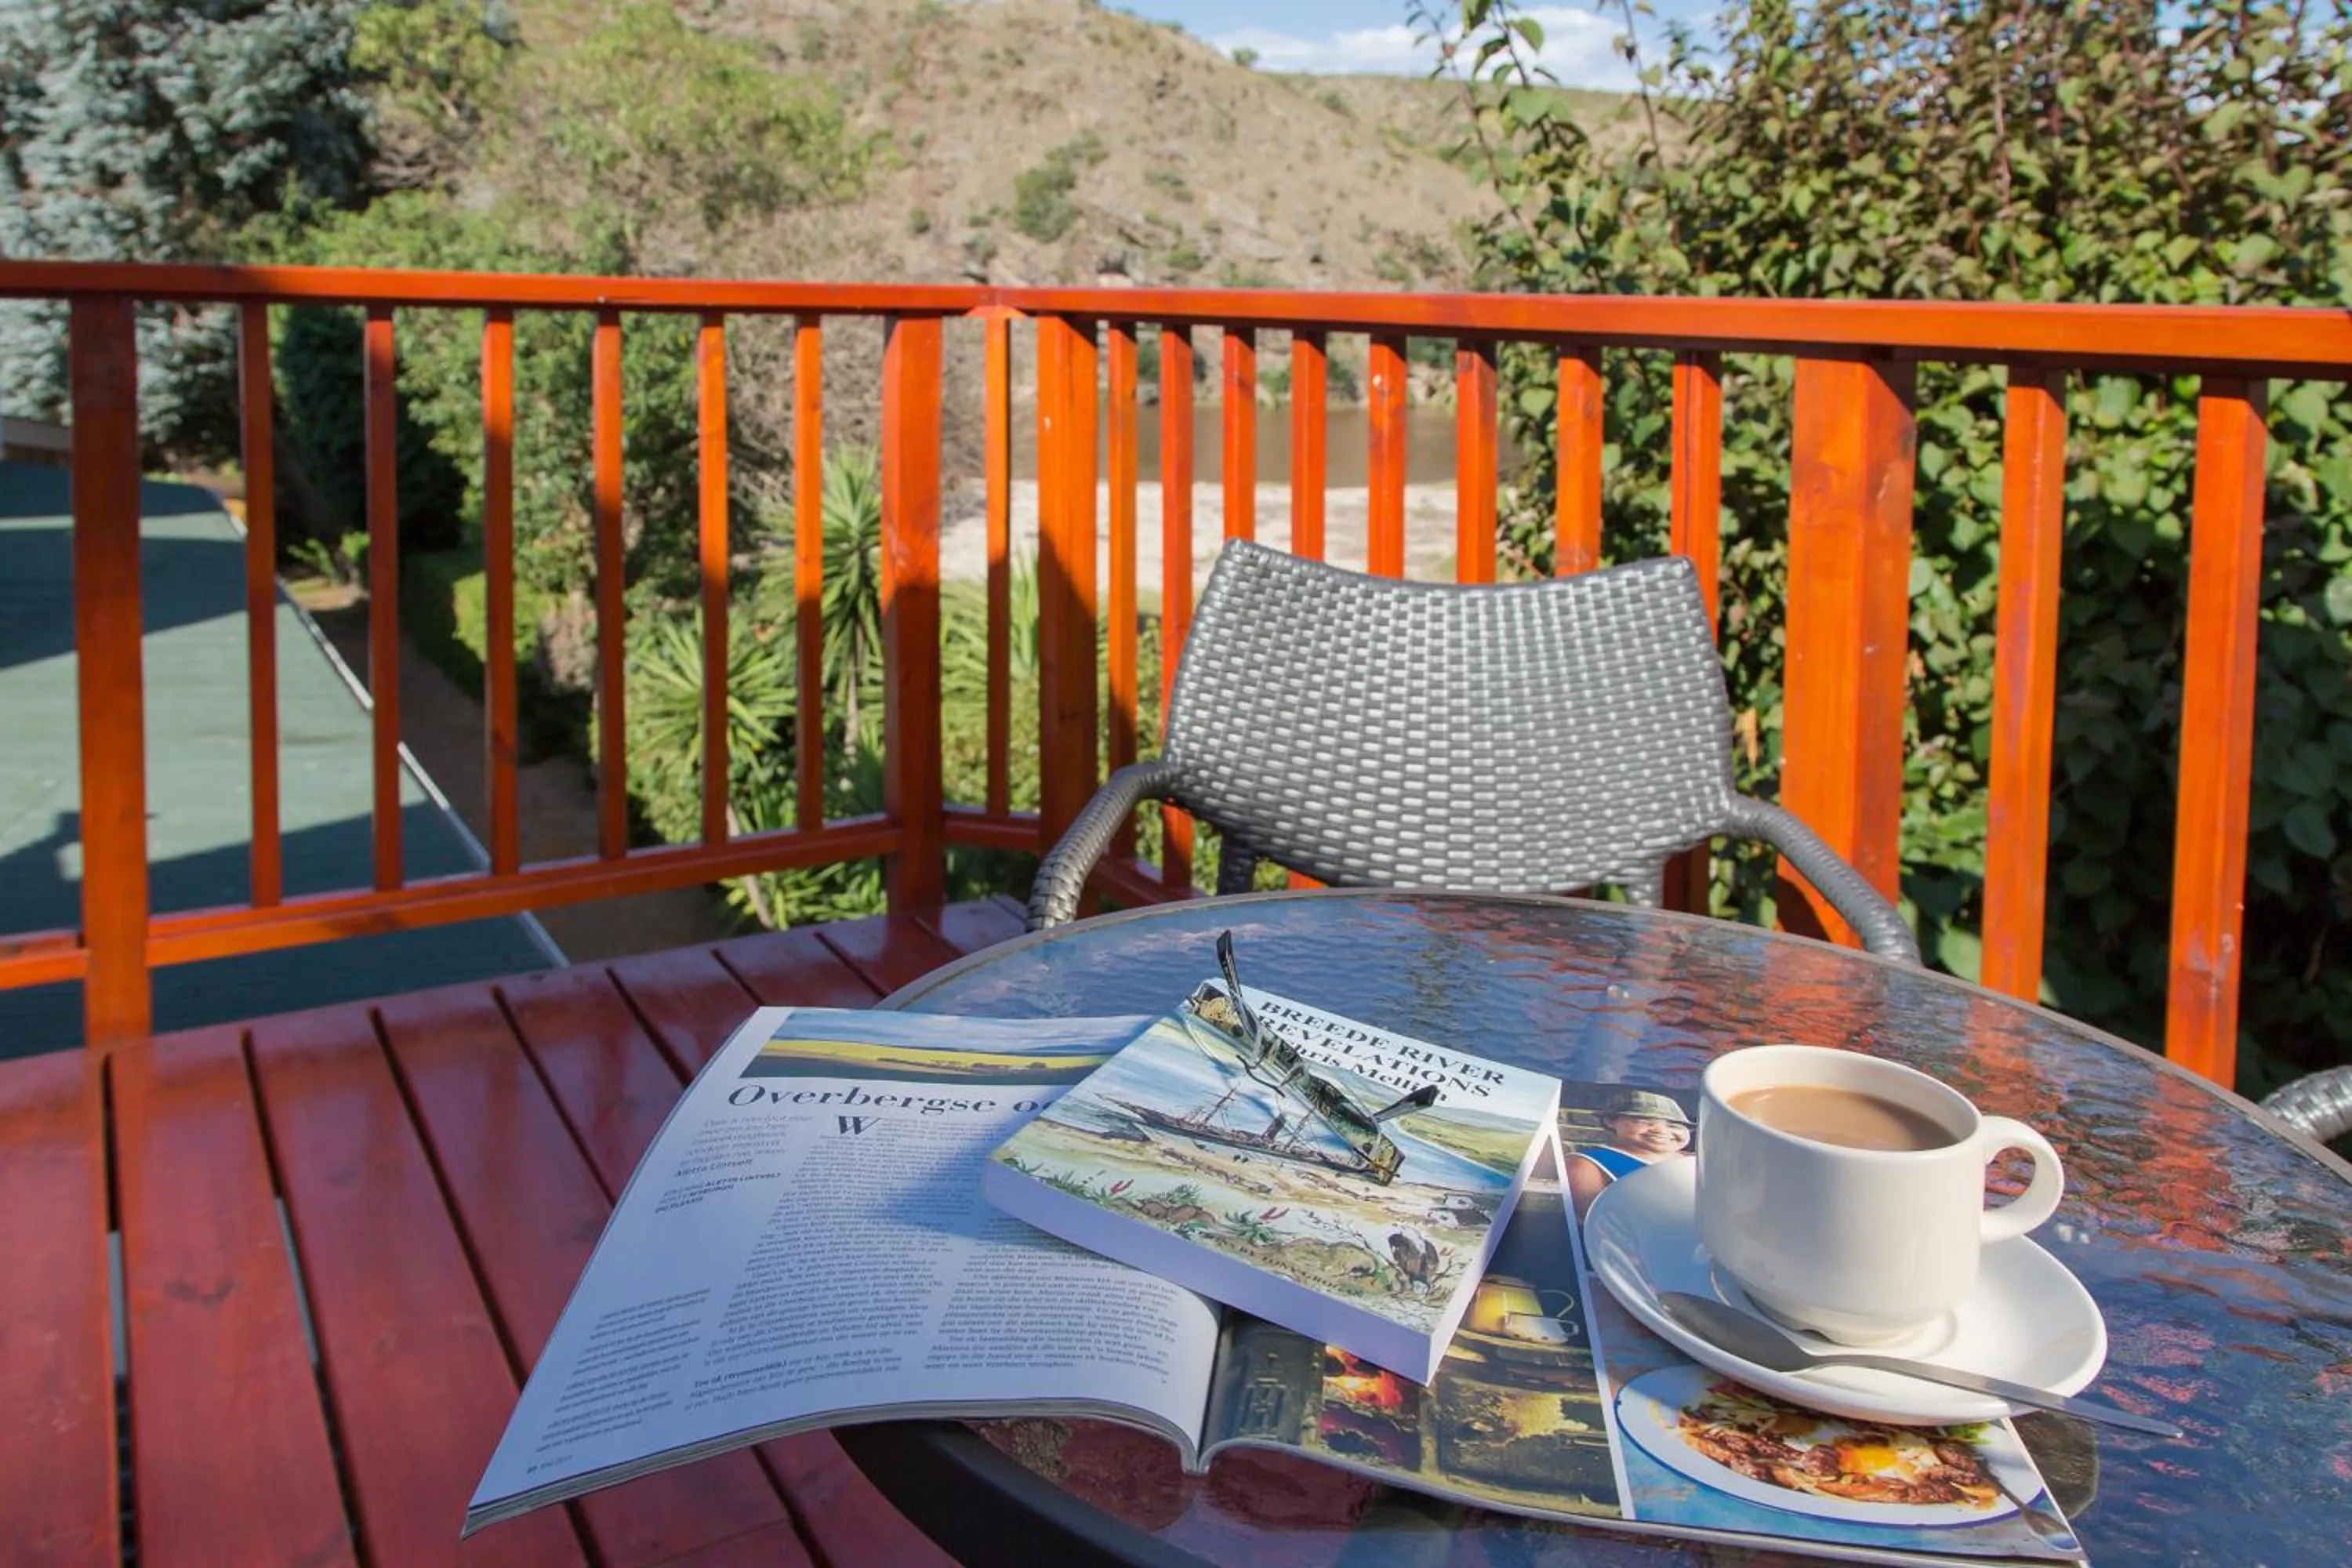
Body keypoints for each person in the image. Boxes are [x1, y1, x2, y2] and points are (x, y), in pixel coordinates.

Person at [1565, 1088, 1693, 1221]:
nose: (1660, 1130)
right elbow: (1597, 1221)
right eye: (1645, 1121)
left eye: (1674, 1125)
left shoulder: (1698, 1162)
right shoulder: (1588, 1163)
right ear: (1611, 1121)